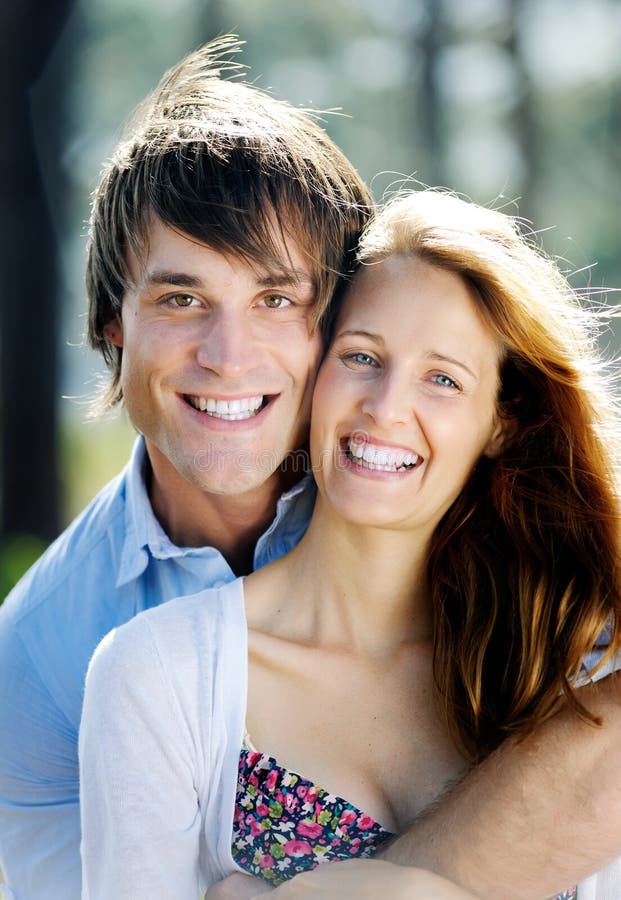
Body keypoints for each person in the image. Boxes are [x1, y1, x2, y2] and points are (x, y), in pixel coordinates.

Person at [0, 34, 620, 900]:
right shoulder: (54, 658)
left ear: (321, 323)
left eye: (275, 299)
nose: (228, 354)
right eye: (182, 299)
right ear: (112, 320)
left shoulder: (533, 603)